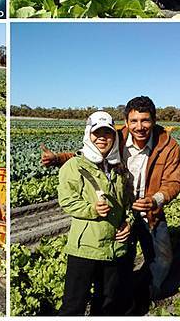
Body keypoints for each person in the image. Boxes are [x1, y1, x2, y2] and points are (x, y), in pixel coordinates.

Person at [42, 96, 180, 306]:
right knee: (121, 260)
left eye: (145, 120)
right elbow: (90, 152)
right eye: (134, 121)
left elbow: (173, 182)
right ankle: (124, 298)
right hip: (119, 209)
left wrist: (155, 200)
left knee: (162, 259)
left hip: (150, 210)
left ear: (153, 121)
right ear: (126, 122)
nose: (139, 127)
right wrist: (58, 159)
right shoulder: (117, 137)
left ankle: (146, 295)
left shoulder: (168, 146)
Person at [58, 111, 132, 316]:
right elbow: (67, 200)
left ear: (114, 137)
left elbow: (127, 203)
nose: (102, 138)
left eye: (107, 133)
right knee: (74, 303)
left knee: (107, 302)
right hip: (85, 247)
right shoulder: (74, 166)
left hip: (114, 247)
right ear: (88, 134)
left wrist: (128, 222)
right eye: (96, 133)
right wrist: (91, 210)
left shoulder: (119, 168)